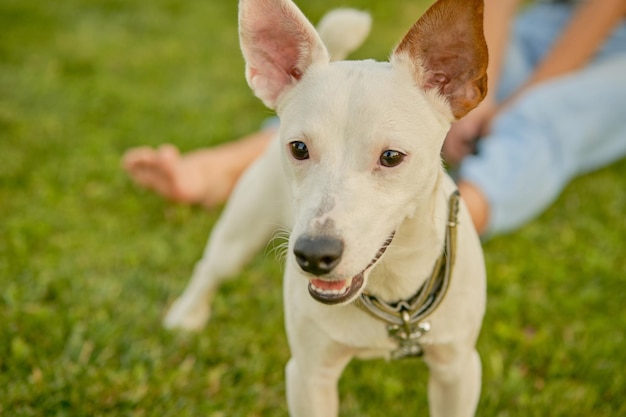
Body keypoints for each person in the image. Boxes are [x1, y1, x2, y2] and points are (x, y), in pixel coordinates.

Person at [123, 0, 626, 236]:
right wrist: (473, 95)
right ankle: (231, 166)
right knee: (359, 108)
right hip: (557, 16)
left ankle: (453, 220)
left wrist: (505, 106)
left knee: (546, 112)